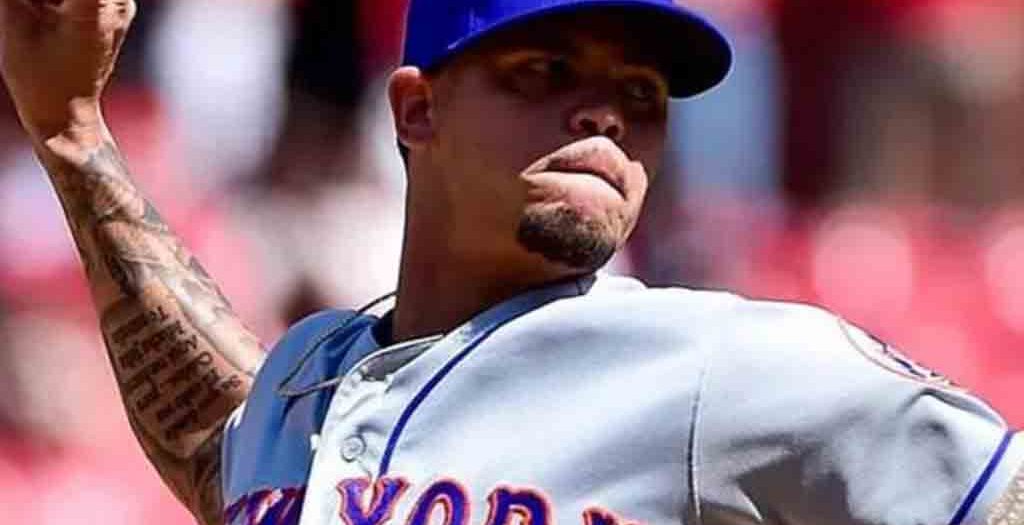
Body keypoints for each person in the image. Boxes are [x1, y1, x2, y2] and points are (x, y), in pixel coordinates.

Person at [0, 1, 1020, 525]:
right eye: (546, 70)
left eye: (641, 94)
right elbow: (218, 445)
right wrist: (73, 132)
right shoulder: (313, 373)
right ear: (418, 110)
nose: (604, 113)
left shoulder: (721, 365)